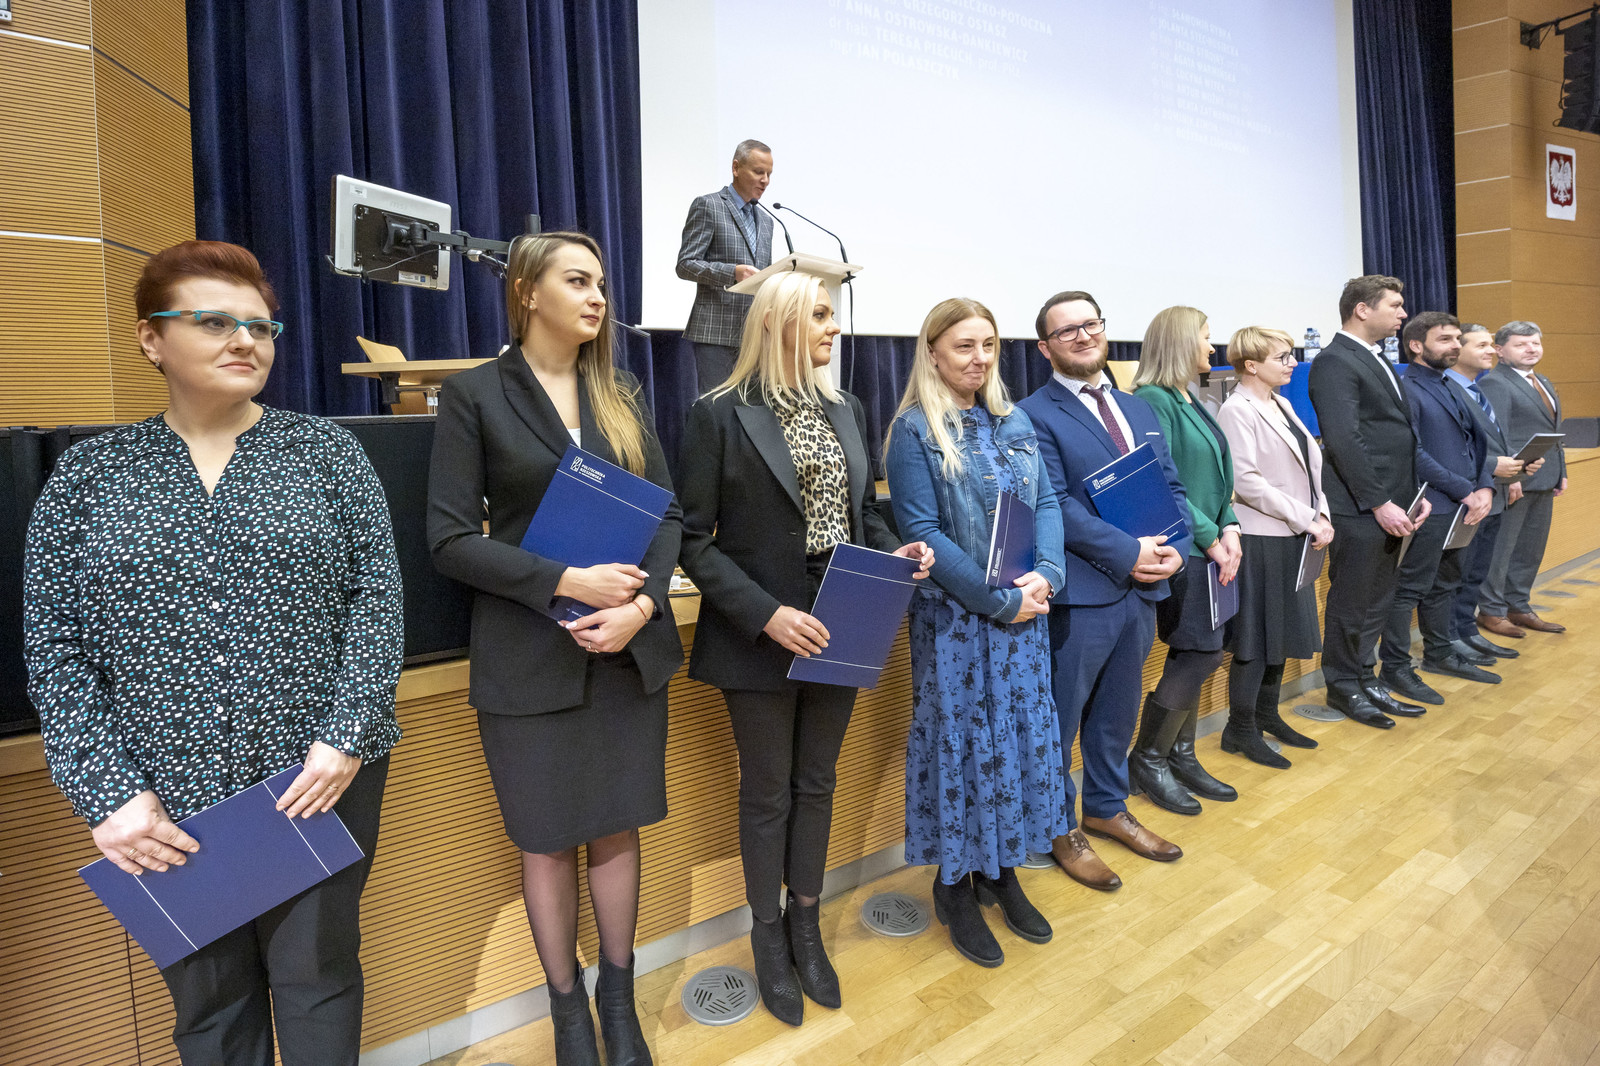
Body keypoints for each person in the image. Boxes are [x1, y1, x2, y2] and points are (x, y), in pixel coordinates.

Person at [23, 240, 404, 1066]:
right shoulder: (89, 477)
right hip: (162, 798)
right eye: (214, 322)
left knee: (319, 979)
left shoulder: (328, 455)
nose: (245, 341)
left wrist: (345, 736)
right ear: (151, 338)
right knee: (210, 1008)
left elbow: (376, 602)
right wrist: (108, 793)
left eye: (260, 326)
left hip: (316, 778)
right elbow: (54, 647)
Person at [428, 232, 681, 1066]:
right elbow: (450, 541)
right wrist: (567, 578)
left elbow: (668, 515)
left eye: (601, 282)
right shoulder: (475, 395)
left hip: (624, 654)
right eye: (578, 280)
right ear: (528, 291)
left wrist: (642, 605)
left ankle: (619, 1003)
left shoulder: (622, 392)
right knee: (545, 840)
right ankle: (568, 1013)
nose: (598, 296)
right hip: (528, 656)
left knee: (615, 829)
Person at [677, 271, 933, 1023]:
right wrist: (766, 615)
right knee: (767, 792)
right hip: (762, 631)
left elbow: (861, 516)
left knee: (817, 782)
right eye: (819, 314)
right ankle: (767, 935)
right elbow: (692, 539)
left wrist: (896, 550)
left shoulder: (846, 406)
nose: (833, 327)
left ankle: (806, 926)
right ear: (777, 322)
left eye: (832, 314)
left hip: (844, 618)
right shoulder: (718, 413)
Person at [885, 297, 1069, 967]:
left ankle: (1003, 871)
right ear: (933, 352)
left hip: (1024, 619)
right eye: (964, 346)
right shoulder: (914, 430)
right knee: (964, 751)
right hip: (958, 626)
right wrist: (997, 602)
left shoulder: (1013, 419)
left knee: (1016, 744)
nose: (980, 358)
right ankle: (955, 885)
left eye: (988, 344)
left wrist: (1048, 575)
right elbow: (922, 532)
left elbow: (1044, 502)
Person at [1017, 291, 1187, 892]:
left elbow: (1170, 486)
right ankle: (1060, 827)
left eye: (1090, 324)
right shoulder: (1031, 414)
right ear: (1045, 348)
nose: (1083, 336)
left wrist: (1176, 548)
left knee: (1118, 715)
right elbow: (1053, 502)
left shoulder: (1138, 407)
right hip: (1081, 595)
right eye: (1067, 331)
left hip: (1141, 593)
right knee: (1060, 723)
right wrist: (1128, 552)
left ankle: (1107, 808)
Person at [1130, 306, 1241, 811]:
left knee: (1198, 652)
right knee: (1199, 653)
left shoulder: (1187, 395)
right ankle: (1149, 758)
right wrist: (1211, 536)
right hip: (1186, 548)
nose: (1212, 348)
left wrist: (1230, 525)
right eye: (1205, 337)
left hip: (1210, 546)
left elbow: (1216, 474)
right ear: (1179, 343)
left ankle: (1181, 754)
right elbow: (1162, 481)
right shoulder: (1153, 399)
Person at [1308, 275, 1430, 729]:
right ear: (1362, 309)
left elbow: (1396, 436)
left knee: (1378, 600)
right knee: (1351, 603)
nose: (1403, 313)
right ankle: (1343, 686)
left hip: (1394, 502)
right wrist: (1379, 502)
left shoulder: (1373, 356)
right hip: (1360, 507)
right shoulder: (1335, 360)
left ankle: (1365, 677)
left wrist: (1414, 494)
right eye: (1394, 305)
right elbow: (1344, 440)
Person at [1215, 327, 1331, 768]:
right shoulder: (1236, 409)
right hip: (1262, 536)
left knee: (1279, 636)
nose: (1292, 363)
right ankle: (1240, 728)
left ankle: (1267, 715)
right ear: (1250, 365)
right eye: (1282, 357)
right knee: (1256, 640)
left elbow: (1311, 469)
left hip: (1294, 532)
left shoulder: (1280, 403)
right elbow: (1246, 482)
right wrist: (1307, 518)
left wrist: (1322, 515)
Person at [1376, 312, 1499, 706]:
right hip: (1431, 504)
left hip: (1463, 504)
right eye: (1445, 339)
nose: (1455, 346)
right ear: (1416, 345)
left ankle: (1440, 653)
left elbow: (1474, 444)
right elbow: (1413, 453)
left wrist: (1484, 485)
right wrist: (1465, 490)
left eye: (1457, 338)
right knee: (1409, 589)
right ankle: (1395, 667)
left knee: (1445, 584)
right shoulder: (1407, 388)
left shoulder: (1450, 383)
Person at [1442, 323, 1532, 660]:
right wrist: (1494, 464)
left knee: (1476, 573)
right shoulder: (1446, 388)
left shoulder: (1477, 389)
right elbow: (1447, 445)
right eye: (1480, 345)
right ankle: (1449, 638)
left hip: (1492, 493)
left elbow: (1491, 439)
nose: (1491, 350)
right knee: (1457, 574)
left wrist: (1517, 465)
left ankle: (1467, 630)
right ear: (1457, 351)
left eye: (1491, 344)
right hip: (1465, 496)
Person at [1477, 320, 1569, 637]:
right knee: (1502, 550)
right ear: (1500, 351)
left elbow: (1554, 433)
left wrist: (1562, 472)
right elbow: (1496, 435)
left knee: (1530, 550)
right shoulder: (1495, 383)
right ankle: (1492, 610)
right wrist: (1511, 477)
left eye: (1535, 343)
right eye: (1521, 344)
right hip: (1514, 481)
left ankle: (1518, 605)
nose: (1531, 349)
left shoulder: (1541, 380)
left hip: (1545, 478)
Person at [675, 139, 776, 391]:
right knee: (717, 408)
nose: (765, 180)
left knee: (752, 409)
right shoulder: (708, 205)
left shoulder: (767, 221)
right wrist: (732, 272)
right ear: (736, 167)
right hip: (716, 333)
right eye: (758, 172)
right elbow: (685, 264)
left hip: (755, 336)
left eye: (769, 174)